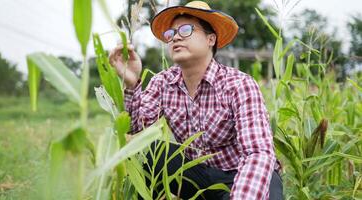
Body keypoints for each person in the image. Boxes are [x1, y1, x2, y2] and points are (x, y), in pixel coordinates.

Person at [109, 1, 283, 199]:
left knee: (269, 187)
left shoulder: (239, 84)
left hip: (238, 174)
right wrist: (132, 83)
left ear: (211, 39)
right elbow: (134, 129)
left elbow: (257, 153)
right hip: (195, 175)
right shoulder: (163, 82)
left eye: (185, 30)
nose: (175, 38)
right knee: (146, 152)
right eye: (171, 34)